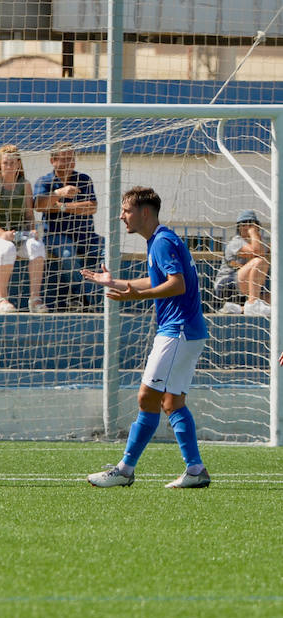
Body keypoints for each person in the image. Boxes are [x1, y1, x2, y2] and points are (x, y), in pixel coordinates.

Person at [84, 186, 211, 489]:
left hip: (177, 330)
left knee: (147, 397)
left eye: (126, 210)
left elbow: (177, 284)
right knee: (171, 401)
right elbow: (157, 280)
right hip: (187, 331)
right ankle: (195, 470)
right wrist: (113, 281)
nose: (121, 216)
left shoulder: (163, 241)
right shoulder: (160, 240)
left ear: (144, 212)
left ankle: (125, 470)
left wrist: (134, 296)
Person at [0, 144, 48, 313]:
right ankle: (1, 299)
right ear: (0, 164)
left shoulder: (25, 185)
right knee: (7, 248)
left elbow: (29, 215)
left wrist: (32, 230)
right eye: (5, 163)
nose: (9, 166)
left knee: (37, 247)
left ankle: (35, 299)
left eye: (12, 163)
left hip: (18, 234)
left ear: (18, 164)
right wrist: (2, 234)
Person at [32, 142, 100, 309]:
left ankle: (106, 299)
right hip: (55, 236)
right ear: (53, 161)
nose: (70, 163)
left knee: (109, 252)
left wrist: (61, 206)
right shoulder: (45, 181)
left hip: (85, 235)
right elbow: (39, 205)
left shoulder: (83, 179)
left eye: (72, 158)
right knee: (67, 253)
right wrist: (59, 193)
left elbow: (92, 207)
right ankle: (81, 297)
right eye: (65, 159)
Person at [213, 210, 270, 316]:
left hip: (247, 290)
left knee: (274, 300)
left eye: (251, 224)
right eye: (244, 224)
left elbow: (271, 248)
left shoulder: (261, 243)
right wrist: (253, 232)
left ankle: (238, 308)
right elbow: (256, 251)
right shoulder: (236, 242)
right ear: (238, 227)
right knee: (259, 261)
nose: (247, 227)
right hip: (228, 285)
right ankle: (252, 303)